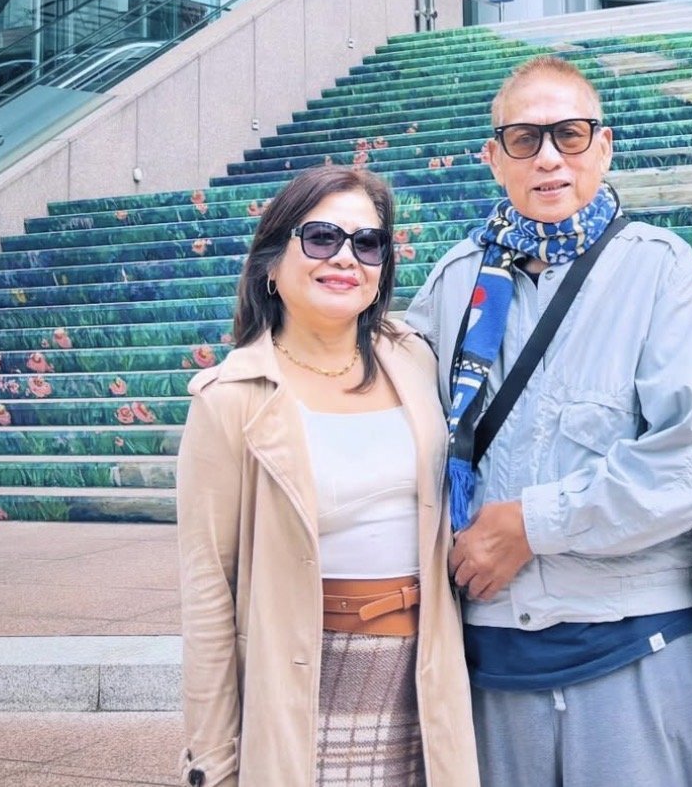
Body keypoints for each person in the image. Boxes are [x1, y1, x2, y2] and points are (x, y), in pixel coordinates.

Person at [406, 55, 692, 787]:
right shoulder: (456, 279)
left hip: (632, 649)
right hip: (488, 659)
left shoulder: (660, 270)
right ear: (494, 158)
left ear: (604, 146)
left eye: (571, 134)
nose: (549, 156)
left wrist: (529, 524)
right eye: (525, 138)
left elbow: (690, 462)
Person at [177, 165, 479, 787]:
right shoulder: (229, 397)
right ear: (270, 263)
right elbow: (210, 593)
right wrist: (214, 758)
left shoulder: (413, 359)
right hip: (305, 678)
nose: (345, 258)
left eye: (367, 243)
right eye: (320, 238)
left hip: (425, 673)